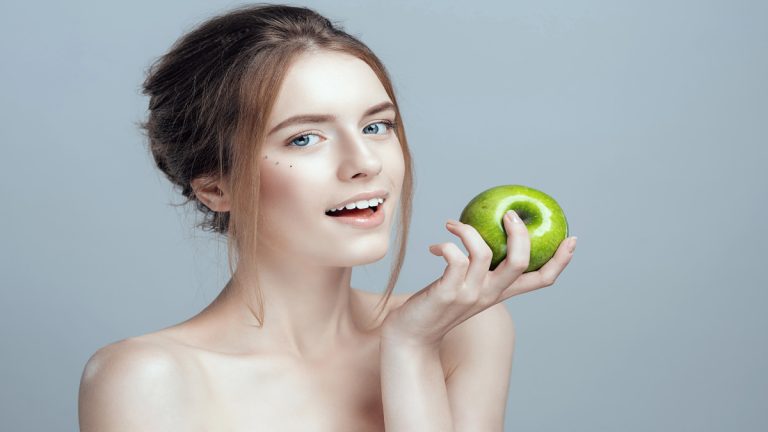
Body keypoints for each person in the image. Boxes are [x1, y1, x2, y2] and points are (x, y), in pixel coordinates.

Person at [77, 4, 577, 431]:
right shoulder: (147, 379)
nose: (366, 161)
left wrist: (410, 347)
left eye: (377, 125)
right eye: (303, 138)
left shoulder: (466, 331)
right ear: (216, 186)